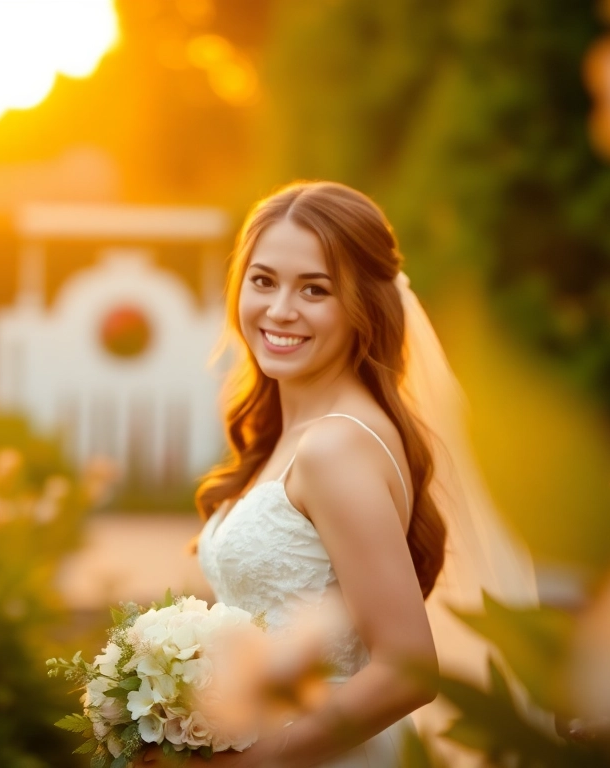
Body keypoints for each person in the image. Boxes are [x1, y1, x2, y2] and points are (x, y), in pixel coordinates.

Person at [184, 180, 449, 767]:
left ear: (363, 307)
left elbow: (409, 670)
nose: (280, 310)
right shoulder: (296, 432)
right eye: (263, 280)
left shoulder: (336, 446)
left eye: (315, 289)